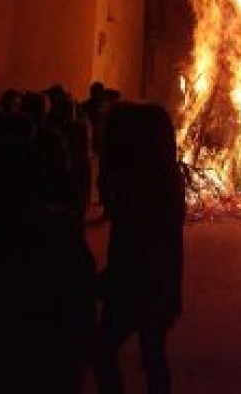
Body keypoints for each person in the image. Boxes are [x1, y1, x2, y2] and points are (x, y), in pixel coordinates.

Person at [94, 102, 185, 394]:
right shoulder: (166, 181)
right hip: (156, 288)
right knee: (153, 357)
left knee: (103, 350)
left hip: (136, 288)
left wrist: (104, 284)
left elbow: (135, 250)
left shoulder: (138, 191)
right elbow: (172, 245)